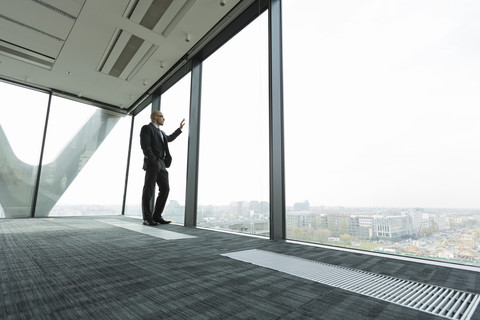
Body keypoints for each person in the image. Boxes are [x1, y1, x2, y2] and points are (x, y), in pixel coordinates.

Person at [140, 110, 185, 226]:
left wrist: (179, 129)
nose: (164, 119)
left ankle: (157, 216)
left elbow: (169, 138)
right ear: (155, 117)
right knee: (148, 190)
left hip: (162, 163)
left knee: (165, 189)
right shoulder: (147, 128)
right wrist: (153, 160)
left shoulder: (161, 132)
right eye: (162, 117)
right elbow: (145, 146)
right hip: (153, 163)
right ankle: (147, 218)